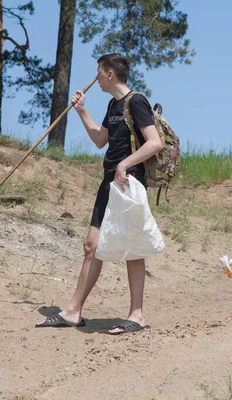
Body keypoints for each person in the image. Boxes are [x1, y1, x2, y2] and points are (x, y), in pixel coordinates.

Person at [36, 53, 163, 334]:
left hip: (129, 183)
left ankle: (137, 315)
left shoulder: (136, 101)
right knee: (91, 246)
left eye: (98, 72)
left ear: (109, 74)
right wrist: (81, 110)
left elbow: (154, 143)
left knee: (133, 248)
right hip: (109, 182)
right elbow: (99, 140)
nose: (95, 78)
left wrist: (125, 164)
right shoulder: (113, 103)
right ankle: (73, 312)